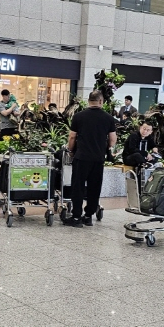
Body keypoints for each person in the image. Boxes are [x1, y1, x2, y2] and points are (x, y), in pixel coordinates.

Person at [64, 90, 116, 228]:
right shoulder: (108, 118)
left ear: (89, 101)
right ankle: (88, 216)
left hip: (81, 157)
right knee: (94, 187)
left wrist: (70, 150)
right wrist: (105, 148)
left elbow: (72, 137)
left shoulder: (79, 116)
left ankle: (76, 217)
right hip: (98, 158)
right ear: (101, 101)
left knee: (78, 187)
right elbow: (112, 140)